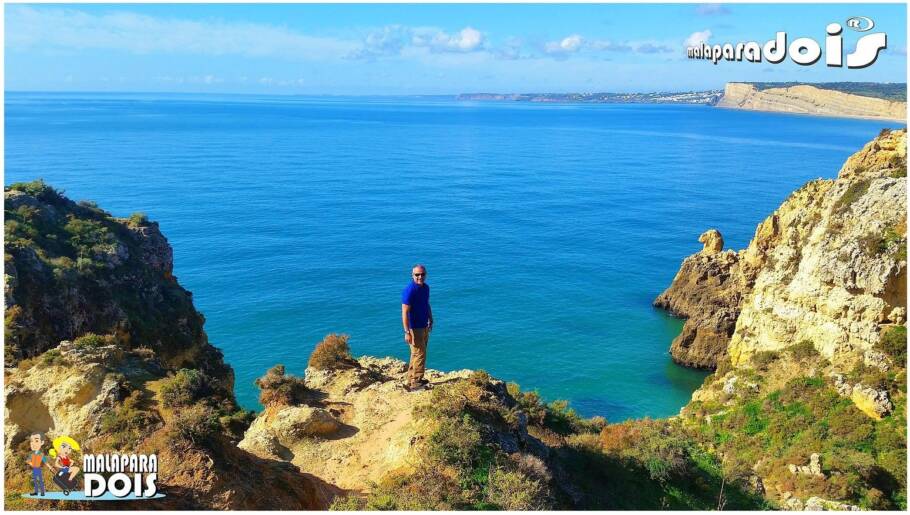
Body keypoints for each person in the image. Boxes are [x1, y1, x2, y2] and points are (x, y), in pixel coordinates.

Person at [401, 264, 433, 391]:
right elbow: (404, 312)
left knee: (416, 354)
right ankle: (416, 382)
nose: (420, 277)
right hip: (414, 328)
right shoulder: (410, 290)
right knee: (420, 354)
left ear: (426, 275)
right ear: (412, 275)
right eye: (417, 274)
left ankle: (411, 379)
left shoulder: (425, 288)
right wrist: (407, 332)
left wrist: (430, 318)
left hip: (424, 325)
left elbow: (426, 304)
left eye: (422, 274)